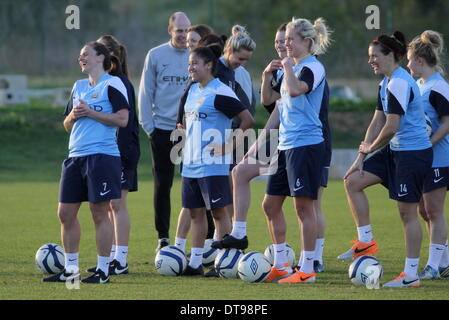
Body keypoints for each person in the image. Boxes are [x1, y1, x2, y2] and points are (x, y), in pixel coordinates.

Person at [341, 31, 433, 288]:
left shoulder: (400, 83)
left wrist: (370, 148)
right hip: (395, 151)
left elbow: (392, 126)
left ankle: (411, 275)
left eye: (374, 56)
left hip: (413, 154)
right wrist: (361, 156)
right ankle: (366, 241)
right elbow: (377, 121)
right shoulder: (386, 82)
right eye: (369, 57)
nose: (370, 61)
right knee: (352, 181)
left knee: (408, 213)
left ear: (392, 55)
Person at [43, 41, 130, 284]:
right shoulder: (78, 86)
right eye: (80, 55)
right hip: (75, 157)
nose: (80, 58)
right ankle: (71, 270)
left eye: (85, 55)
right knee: (65, 213)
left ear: (101, 58)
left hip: (102, 157)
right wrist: (73, 115)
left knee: (99, 212)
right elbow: (67, 125)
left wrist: (92, 113)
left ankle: (103, 271)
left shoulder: (112, 84)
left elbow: (123, 119)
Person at [259, 17, 332, 284]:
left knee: (304, 208)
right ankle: (280, 265)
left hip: (306, 144)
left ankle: (307, 269)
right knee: (270, 204)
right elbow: (268, 100)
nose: (286, 44)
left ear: (307, 42)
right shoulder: (291, 67)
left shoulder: (312, 67)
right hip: (285, 144)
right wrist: (268, 75)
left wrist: (288, 68)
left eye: (291, 39)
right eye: (285, 39)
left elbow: (296, 90)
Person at [211, 22, 288, 251]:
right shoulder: (215, 71)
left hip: (297, 140)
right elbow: (269, 105)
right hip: (216, 138)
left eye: (285, 41)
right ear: (230, 49)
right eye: (278, 41)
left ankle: (313, 259)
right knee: (223, 191)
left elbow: (250, 108)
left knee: (308, 204)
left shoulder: (300, 70)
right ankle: (222, 240)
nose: (280, 45)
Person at [180, 45, 254, 275]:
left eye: (195, 63)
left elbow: (247, 119)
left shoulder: (220, 92)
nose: (190, 67)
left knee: (219, 212)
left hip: (212, 164)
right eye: (189, 63)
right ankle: (195, 264)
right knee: (195, 213)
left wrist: (229, 145)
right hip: (190, 163)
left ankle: (222, 263)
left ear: (208, 65)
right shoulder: (192, 89)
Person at [84, 35, 140, 276]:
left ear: (106, 57)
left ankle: (121, 259)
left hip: (122, 150)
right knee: (108, 205)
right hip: (110, 151)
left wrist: (122, 154)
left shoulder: (118, 82)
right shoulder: (102, 82)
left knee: (117, 204)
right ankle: (112, 258)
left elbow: (124, 123)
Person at [138, 12, 191, 252]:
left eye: (187, 30)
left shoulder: (199, 57)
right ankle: (163, 238)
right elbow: (145, 93)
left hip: (192, 133)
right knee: (163, 185)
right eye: (179, 30)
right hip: (163, 131)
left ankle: (208, 237)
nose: (183, 35)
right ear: (170, 30)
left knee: (198, 184)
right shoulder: (156, 55)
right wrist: (150, 127)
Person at [407, 30, 449, 279]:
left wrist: (428, 143)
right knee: (424, 210)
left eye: (410, 60)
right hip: (426, 158)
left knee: (433, 210)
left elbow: (447, 123)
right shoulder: (420, 85)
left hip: (440, 158)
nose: (408, 65)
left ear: (420, 61)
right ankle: (443, 260)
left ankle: (434, 266)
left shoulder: (439, 87)